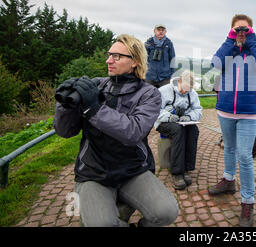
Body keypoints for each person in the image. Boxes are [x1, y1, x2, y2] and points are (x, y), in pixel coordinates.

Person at [53, 34, 179, 227]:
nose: (108, 60)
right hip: (94, 172)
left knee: (167, 212)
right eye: (109, 54)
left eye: (117, 56)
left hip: (132, 170)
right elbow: (65, 131)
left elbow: (133, 132)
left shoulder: (148, 94)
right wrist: (65, 105)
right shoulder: (96, 85)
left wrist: (94, 109)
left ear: (135, 62)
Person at [209, 14, 256, 227]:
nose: (241, 33)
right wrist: (231, 41)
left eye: (245, 30)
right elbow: (215, 63)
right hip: (225, 110)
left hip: (248, 112)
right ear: (231, 31)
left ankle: (247, 200)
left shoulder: (255, 53)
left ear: (251, 31)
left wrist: (251, 40)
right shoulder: (229, 51)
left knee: (244, 155)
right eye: (237, 29)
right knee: (229, 148)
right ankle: (228, 180)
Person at [155, 70, 203, 190]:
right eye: (183, 89)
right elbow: (155, 110)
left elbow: (198, 110)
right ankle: (177, 172)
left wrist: (190, 117)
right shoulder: (163, 91)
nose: (184, 92)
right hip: (163, 122)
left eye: (188, 90)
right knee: (178, 131)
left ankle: (186, 168)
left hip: (183, 122)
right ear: (179, 81)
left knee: (193, 130)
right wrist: (169, 117)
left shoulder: (192, 93)